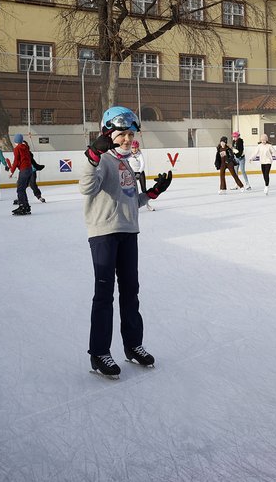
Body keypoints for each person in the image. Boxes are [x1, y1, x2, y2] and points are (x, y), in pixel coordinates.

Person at [80, 105, 173, 378]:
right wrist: (93, 154)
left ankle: (133, 345)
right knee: (104, 295)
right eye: (122, 134)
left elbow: (131, 200)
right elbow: (86, 187)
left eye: (131, 135)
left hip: (129, 231)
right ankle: (99, 353)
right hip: (104, 234)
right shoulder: (101, 160)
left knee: (131, 292)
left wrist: (153, 193)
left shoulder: (125, 162)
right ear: (108, 133)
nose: (128, 140)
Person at [7, 133, 34, 214]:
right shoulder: (25, 147)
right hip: (29, 170)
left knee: (20, 189)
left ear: (15, 141)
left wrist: (11, 171)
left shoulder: (17, 148)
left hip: (24, 170)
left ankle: (22, 206)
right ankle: (26, 206)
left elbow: (16, 161)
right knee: (22, 189)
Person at [128, 140, 154, 211]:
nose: (134, 149)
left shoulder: (139, 154)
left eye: (136, 148)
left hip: (140, 172)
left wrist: (139, 172)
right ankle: (132, 205)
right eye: (133, 148)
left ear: (138, 148)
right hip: (132, 173)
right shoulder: (128, 155)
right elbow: (127, 164)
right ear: (131, 148)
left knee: (144, 190)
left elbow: (143, 164)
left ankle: (147, 205)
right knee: (132, 190)